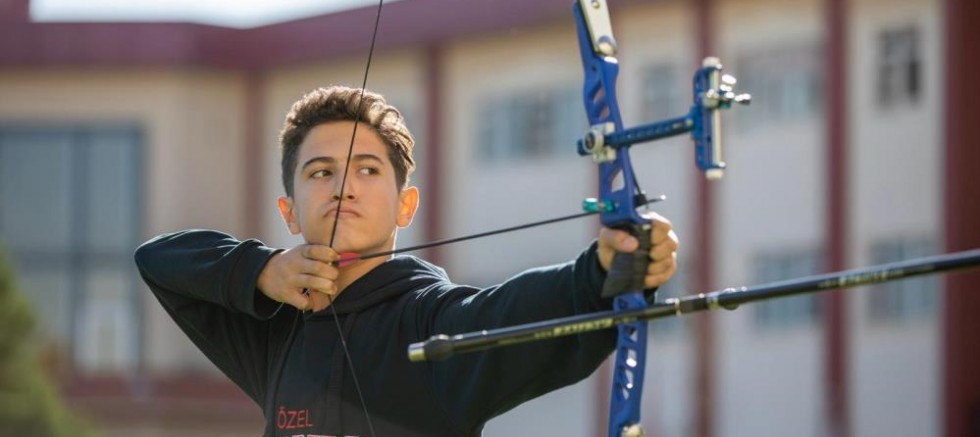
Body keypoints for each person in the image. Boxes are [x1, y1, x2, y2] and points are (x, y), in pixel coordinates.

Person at [134, 86, 679, 437]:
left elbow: (521, 310)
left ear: (406, 203)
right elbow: (159, 261)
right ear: (290, 211)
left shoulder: (433, 327)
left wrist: (607, 273)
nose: (344, 186)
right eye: (320, 172)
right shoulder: (278, 335)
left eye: (368, 169)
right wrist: (262, 271)